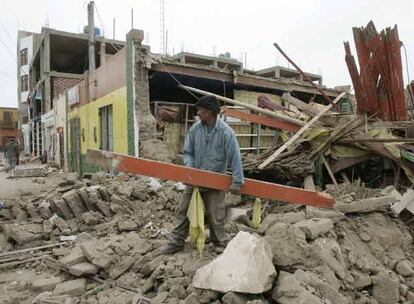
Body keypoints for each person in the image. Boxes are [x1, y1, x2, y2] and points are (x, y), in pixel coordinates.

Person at [162, 95, 244, 254]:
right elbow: (188, 153)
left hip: (215, 181)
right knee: (183, 211)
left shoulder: (226, 133)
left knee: (215, 214)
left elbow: (235, 157)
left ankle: (219, 242)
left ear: (211, 112)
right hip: (195, 180)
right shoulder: (195, 129)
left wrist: (237, 181)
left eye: (201, 109)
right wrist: (191, 171)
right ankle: (176, 242)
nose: (198, 112)